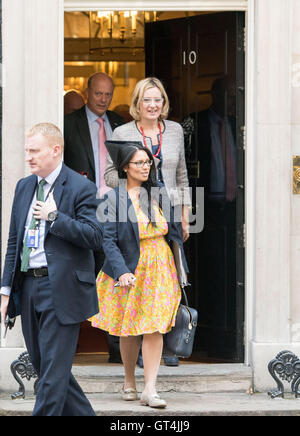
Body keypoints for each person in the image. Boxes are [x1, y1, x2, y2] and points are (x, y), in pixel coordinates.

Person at [0, 123, 103, 416]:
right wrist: (6, 290)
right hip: (29, 288)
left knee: (50, 380)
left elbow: (95, 236)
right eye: (27, 151)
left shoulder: (82, 187)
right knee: (48, 369)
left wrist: (55, 217)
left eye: (35, 151)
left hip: (63, 290)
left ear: (55, 150)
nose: (29, 157)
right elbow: (13, 242)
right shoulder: (24, 186)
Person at [90, 140, 188, 408]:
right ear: (125, 168)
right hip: (131, 267)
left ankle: (150, 388)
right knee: (130, 328)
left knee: (155, 326)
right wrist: (121, 272)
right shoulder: (113, 198)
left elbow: (175, 235)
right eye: (139, 163)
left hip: (161, 266)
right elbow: (108, 241)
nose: (146, 167)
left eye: (148, 162)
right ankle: (129, 381)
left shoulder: (159, 193)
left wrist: (181, 269)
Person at [104, 77, 190, 366]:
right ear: (137, 104)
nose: (153, 105)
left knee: (171, 279)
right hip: (135, 213)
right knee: (137, 280)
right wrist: (136, 179)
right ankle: (136, 346)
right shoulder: (123, 131)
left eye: (158, 100)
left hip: (170, 215)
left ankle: (167, 343)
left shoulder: (175, 131)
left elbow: (182, 175)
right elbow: (109, 175)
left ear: (164, 103)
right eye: (147, 100)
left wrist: (186, 213)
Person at [64, 72, 124, 363]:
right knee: (78, 275)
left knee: (115, 275)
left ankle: (117, 349)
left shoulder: (121, 124)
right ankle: (69, 350)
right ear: (88, 92)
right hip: (82, 210)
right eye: (98, 93)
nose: (103, 100)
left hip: (115, 209)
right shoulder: (68, 124)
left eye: (108, 94)